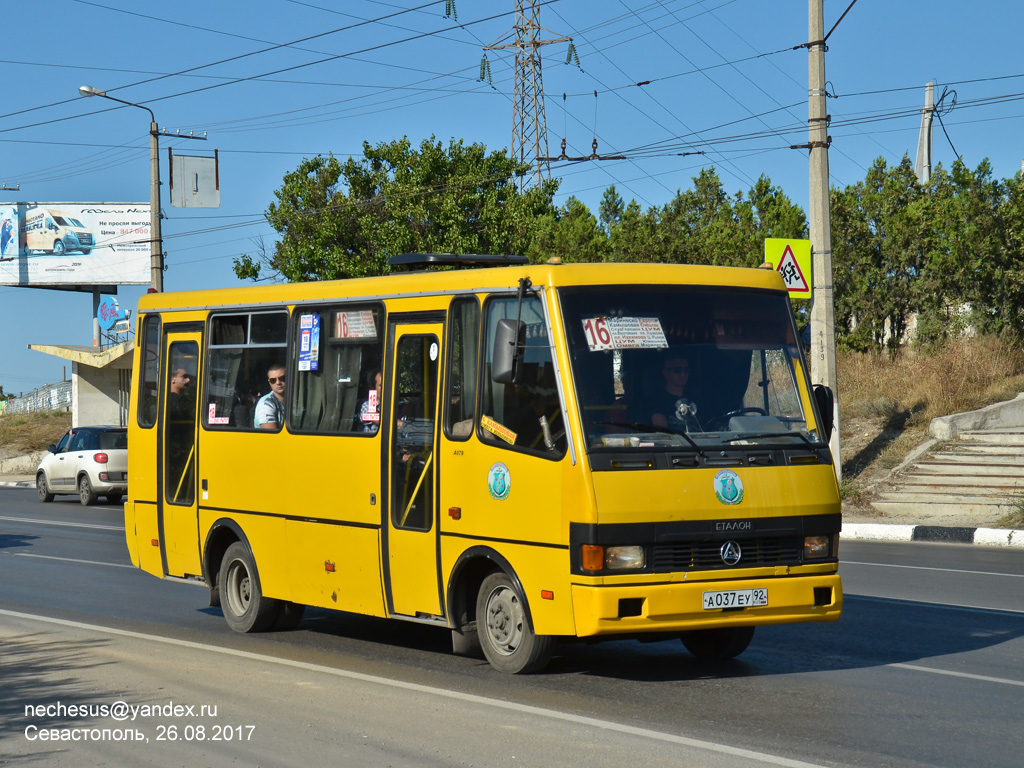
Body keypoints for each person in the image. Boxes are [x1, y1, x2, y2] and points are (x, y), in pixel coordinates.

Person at [650, 352, 699, 432]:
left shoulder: (696, 399)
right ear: (665, 373)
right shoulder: (655, 401)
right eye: (677, 370)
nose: (683, 374)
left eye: (686, 370)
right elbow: (662, 432)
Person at [254, 363, 286, 430]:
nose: (278, 383)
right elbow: (272, 437)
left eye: (282, 378)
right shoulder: (266, 404)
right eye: (273, 380)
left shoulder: (295, 399)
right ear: (269, 382)